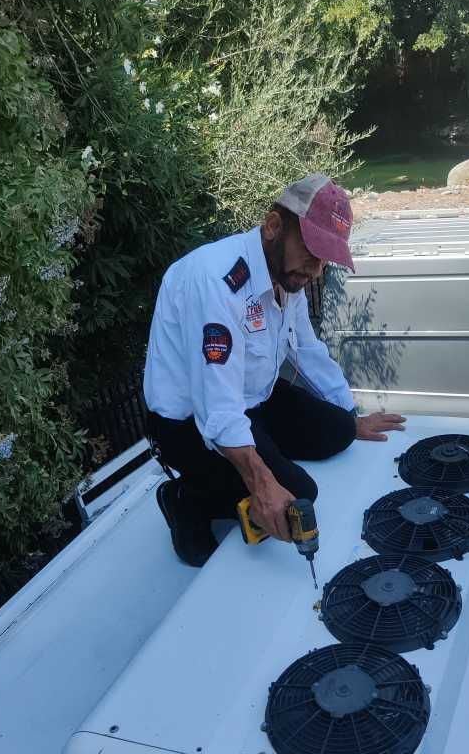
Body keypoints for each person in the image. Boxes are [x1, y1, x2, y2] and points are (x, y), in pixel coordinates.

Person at [144, 172, 405, 567]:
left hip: (252, 399)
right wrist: (261, 480)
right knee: (299, 494)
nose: (316, 270)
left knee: (339, 433)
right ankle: (185, 498)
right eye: (312, 251)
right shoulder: (216, 281)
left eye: (325, 259)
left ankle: (265, 454)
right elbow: (217, 406)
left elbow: (308, 350)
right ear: (273, 226)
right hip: (189, 423)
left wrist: (347, 414)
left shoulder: (287, 274)